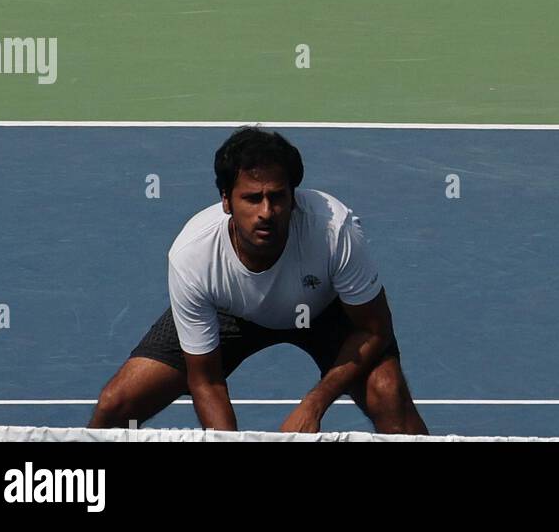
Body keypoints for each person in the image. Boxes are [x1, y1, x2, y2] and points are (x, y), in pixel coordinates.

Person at [89, 127, 427, 433]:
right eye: (252, 198)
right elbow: (206, 381)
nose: (266, 212)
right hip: (229, 312)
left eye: (277, 197)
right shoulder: (193, 256)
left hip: (324, 309)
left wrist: (313, 405)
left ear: (293, 197)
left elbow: (374, 329)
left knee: (387, 393)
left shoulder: (333, 231)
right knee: (116, 404)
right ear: (226, 200)